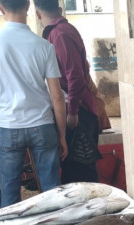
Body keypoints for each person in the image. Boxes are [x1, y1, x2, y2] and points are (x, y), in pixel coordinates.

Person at [0, 0, 68, 207]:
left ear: (0, 8)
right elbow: (57, 96)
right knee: (51, 191)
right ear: (28, 6)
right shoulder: (44, 46)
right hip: (42, 125)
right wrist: (62, 136)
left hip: (9, 126)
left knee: (10, 192)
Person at [34, 0, 102, 185]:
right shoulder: (59, 32)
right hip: (76, 107)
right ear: (59, 9)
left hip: (78, 111)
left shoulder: (60, 34)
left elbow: (75, 77)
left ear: (37, 14)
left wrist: (72, 113)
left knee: (81, 173)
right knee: (73, 172)